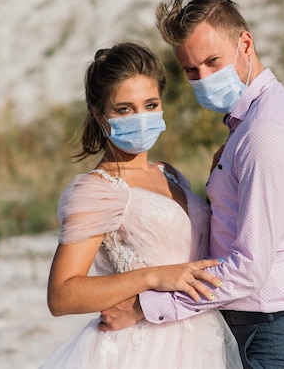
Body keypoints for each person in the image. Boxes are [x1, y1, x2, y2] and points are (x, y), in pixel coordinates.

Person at [101, 0, 284, 368]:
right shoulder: (250, 123)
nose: (204, 78)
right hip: (252, 329)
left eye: (213, 62)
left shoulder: (265, 132)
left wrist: (146, 308)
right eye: (192, 70)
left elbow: (250, 269)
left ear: (245, 43)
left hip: (273, 338)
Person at [40, 41, 242, 369]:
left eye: (150, 105)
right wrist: (152, 277)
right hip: (140, 348)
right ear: (99, 114)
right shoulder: (98, 190)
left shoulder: (170, 174)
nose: (142, 118)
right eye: (124, 109)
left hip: (202, 339)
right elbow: (61, 295)